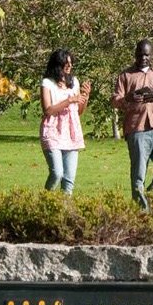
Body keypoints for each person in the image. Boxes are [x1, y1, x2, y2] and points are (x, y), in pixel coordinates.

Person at [112, 39, 153, 211]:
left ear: (151, 54)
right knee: (139, 174)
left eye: (146, 54)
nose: (143, 58)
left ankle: (149, 199)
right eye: (140, 54)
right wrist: (128, 98)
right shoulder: (126, 76)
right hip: (137, 129)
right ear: (135, 54)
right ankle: (141, 212)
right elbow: (115, 101)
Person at [40, 48, 90, 195]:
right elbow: (48, 110)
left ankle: (65, 212)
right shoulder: (47, 83)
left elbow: (79, 111)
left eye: (70, 63)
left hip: (71, 131)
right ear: (57, 64)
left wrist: (85, 96)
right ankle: (46, 201)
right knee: (57, 173)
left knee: (69, 180)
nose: (69, 66)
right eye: (65, 63)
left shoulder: (74, 82)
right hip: (52, 130)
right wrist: (69, 100)